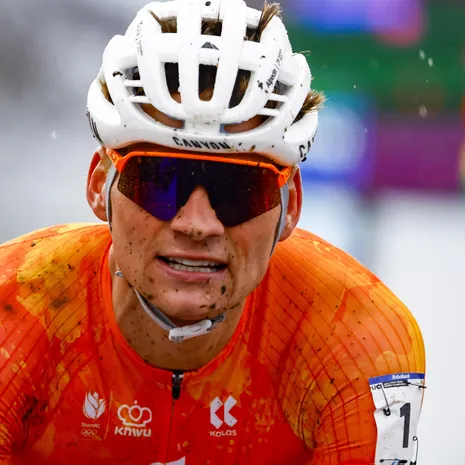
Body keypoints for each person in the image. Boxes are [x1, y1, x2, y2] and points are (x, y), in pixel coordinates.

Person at [0, 0, 426, 464]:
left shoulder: (358, 341)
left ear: (291, 207)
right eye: (159, 181)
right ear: (100, 184)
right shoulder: (13, 315)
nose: (197, 224)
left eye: (239, 189)